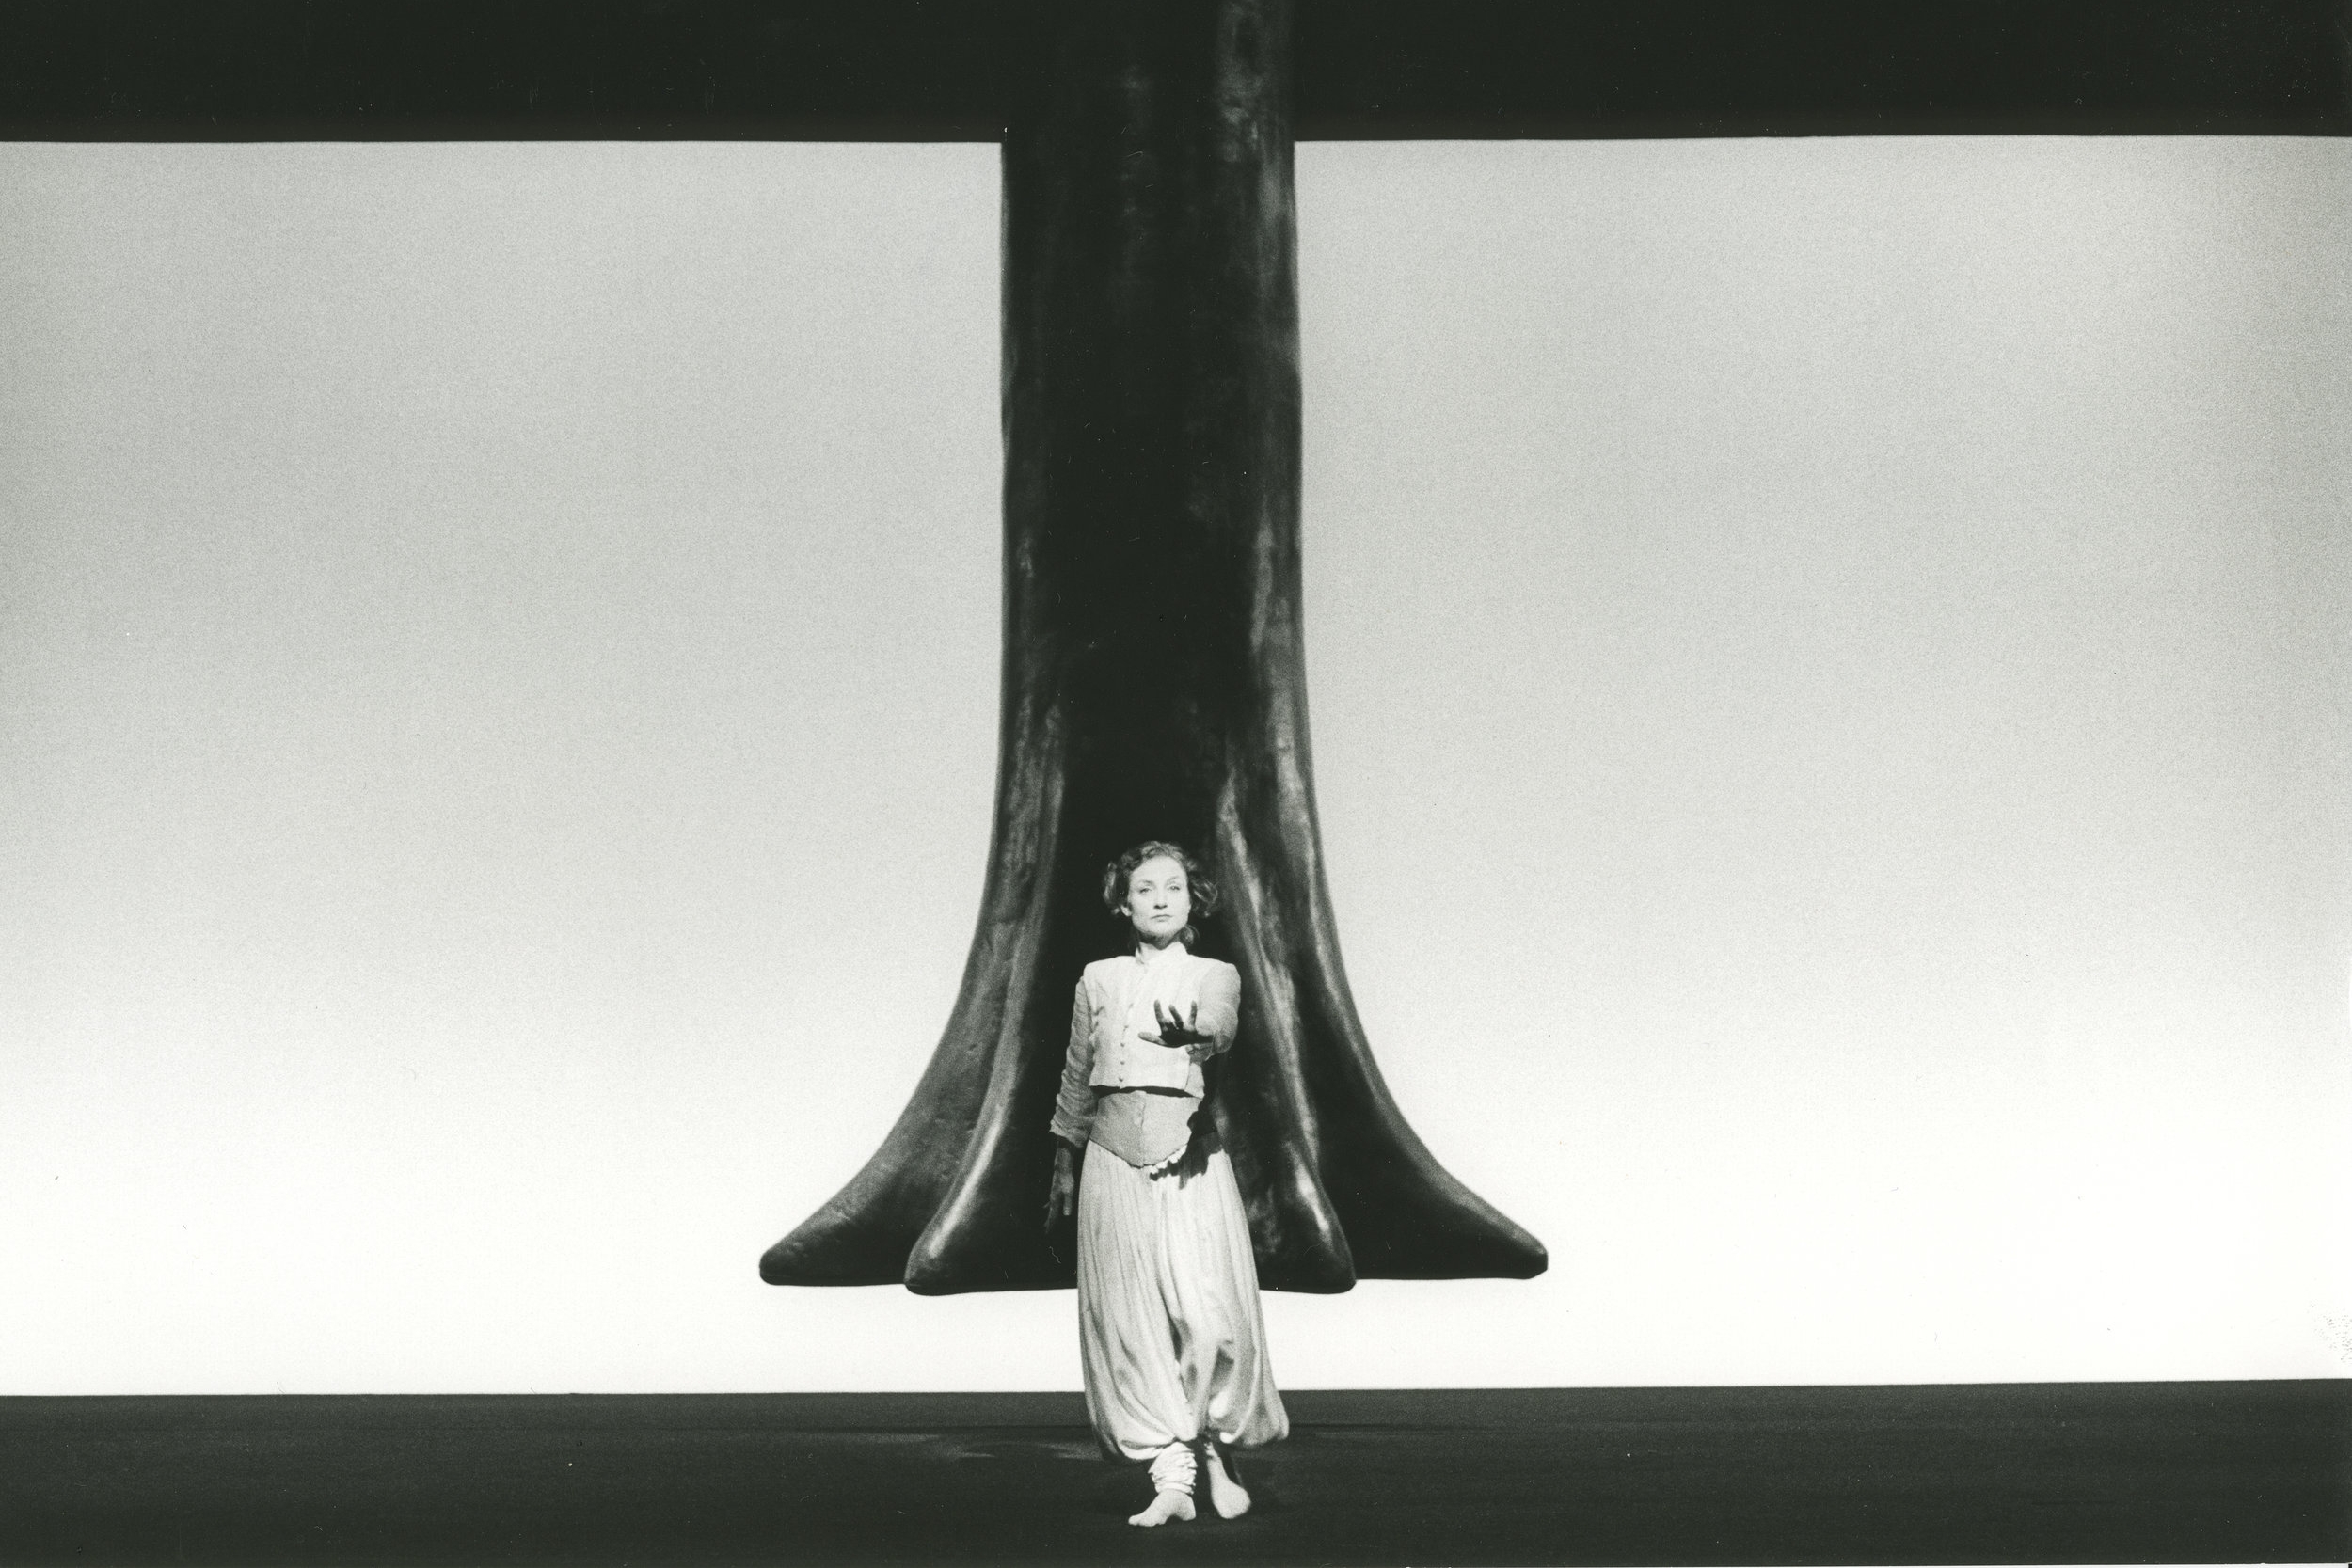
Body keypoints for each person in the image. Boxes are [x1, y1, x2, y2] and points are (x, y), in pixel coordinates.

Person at [1044, 840, 1289, 1527]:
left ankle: (1211, 1447)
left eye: (1173, 887)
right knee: (1132, 1322)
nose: (1159, 898)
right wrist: (1063, 1163)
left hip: (1187, 1156)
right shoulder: (1098, 977)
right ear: (1123, 902)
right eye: (1145, 888)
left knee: (1205, 1311)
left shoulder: (1214, 972)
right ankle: (1174, 1471)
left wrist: (1195, 1033)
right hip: (1110, 1153)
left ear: (1193, 900)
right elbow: (1075, 1075)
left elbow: (1221, 1025)